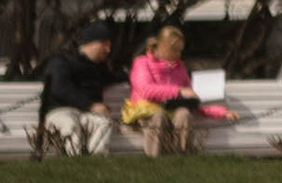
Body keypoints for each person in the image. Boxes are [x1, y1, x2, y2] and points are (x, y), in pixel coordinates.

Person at [38, 22, 122, 156]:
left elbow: (116, 78)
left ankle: (95, 162)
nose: (108, 50)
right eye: (105, 45)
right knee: (71, 125)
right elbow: (60, 88)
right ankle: (75, 163)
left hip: (86, 114)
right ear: (92, 43)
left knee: (104, 123)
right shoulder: (61, 61)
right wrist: (90, 105)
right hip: (60, 111)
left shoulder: (100, 68)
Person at [123, 25, 202, 155]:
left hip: (172, 109)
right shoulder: (141, 63)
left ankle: (180, 156)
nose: (178, 54)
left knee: (184, 114)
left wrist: (219, 112)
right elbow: (145, 90)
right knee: (159, 117)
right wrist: (178, 91)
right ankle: (156, 159)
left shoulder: (180, 67)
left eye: (180, 50)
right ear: (161, 46)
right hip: (147, 110)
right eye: (175, 50)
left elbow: (190, 96)